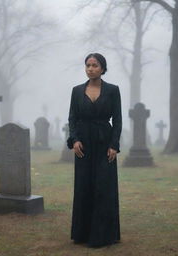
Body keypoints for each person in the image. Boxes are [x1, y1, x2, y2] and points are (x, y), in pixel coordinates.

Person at [67, 53, 122, 248]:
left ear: (102, 68)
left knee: (103, 188)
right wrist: (74, 140)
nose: (90, 68)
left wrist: (114, 145)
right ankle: (82, 234)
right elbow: (72, 118)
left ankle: (104, 235)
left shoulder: (113, 90)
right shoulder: (76, 91)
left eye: (95, 65)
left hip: (104, 143)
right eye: (88, 65)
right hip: (83, 145)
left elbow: (117, 120)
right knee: (84, 187)